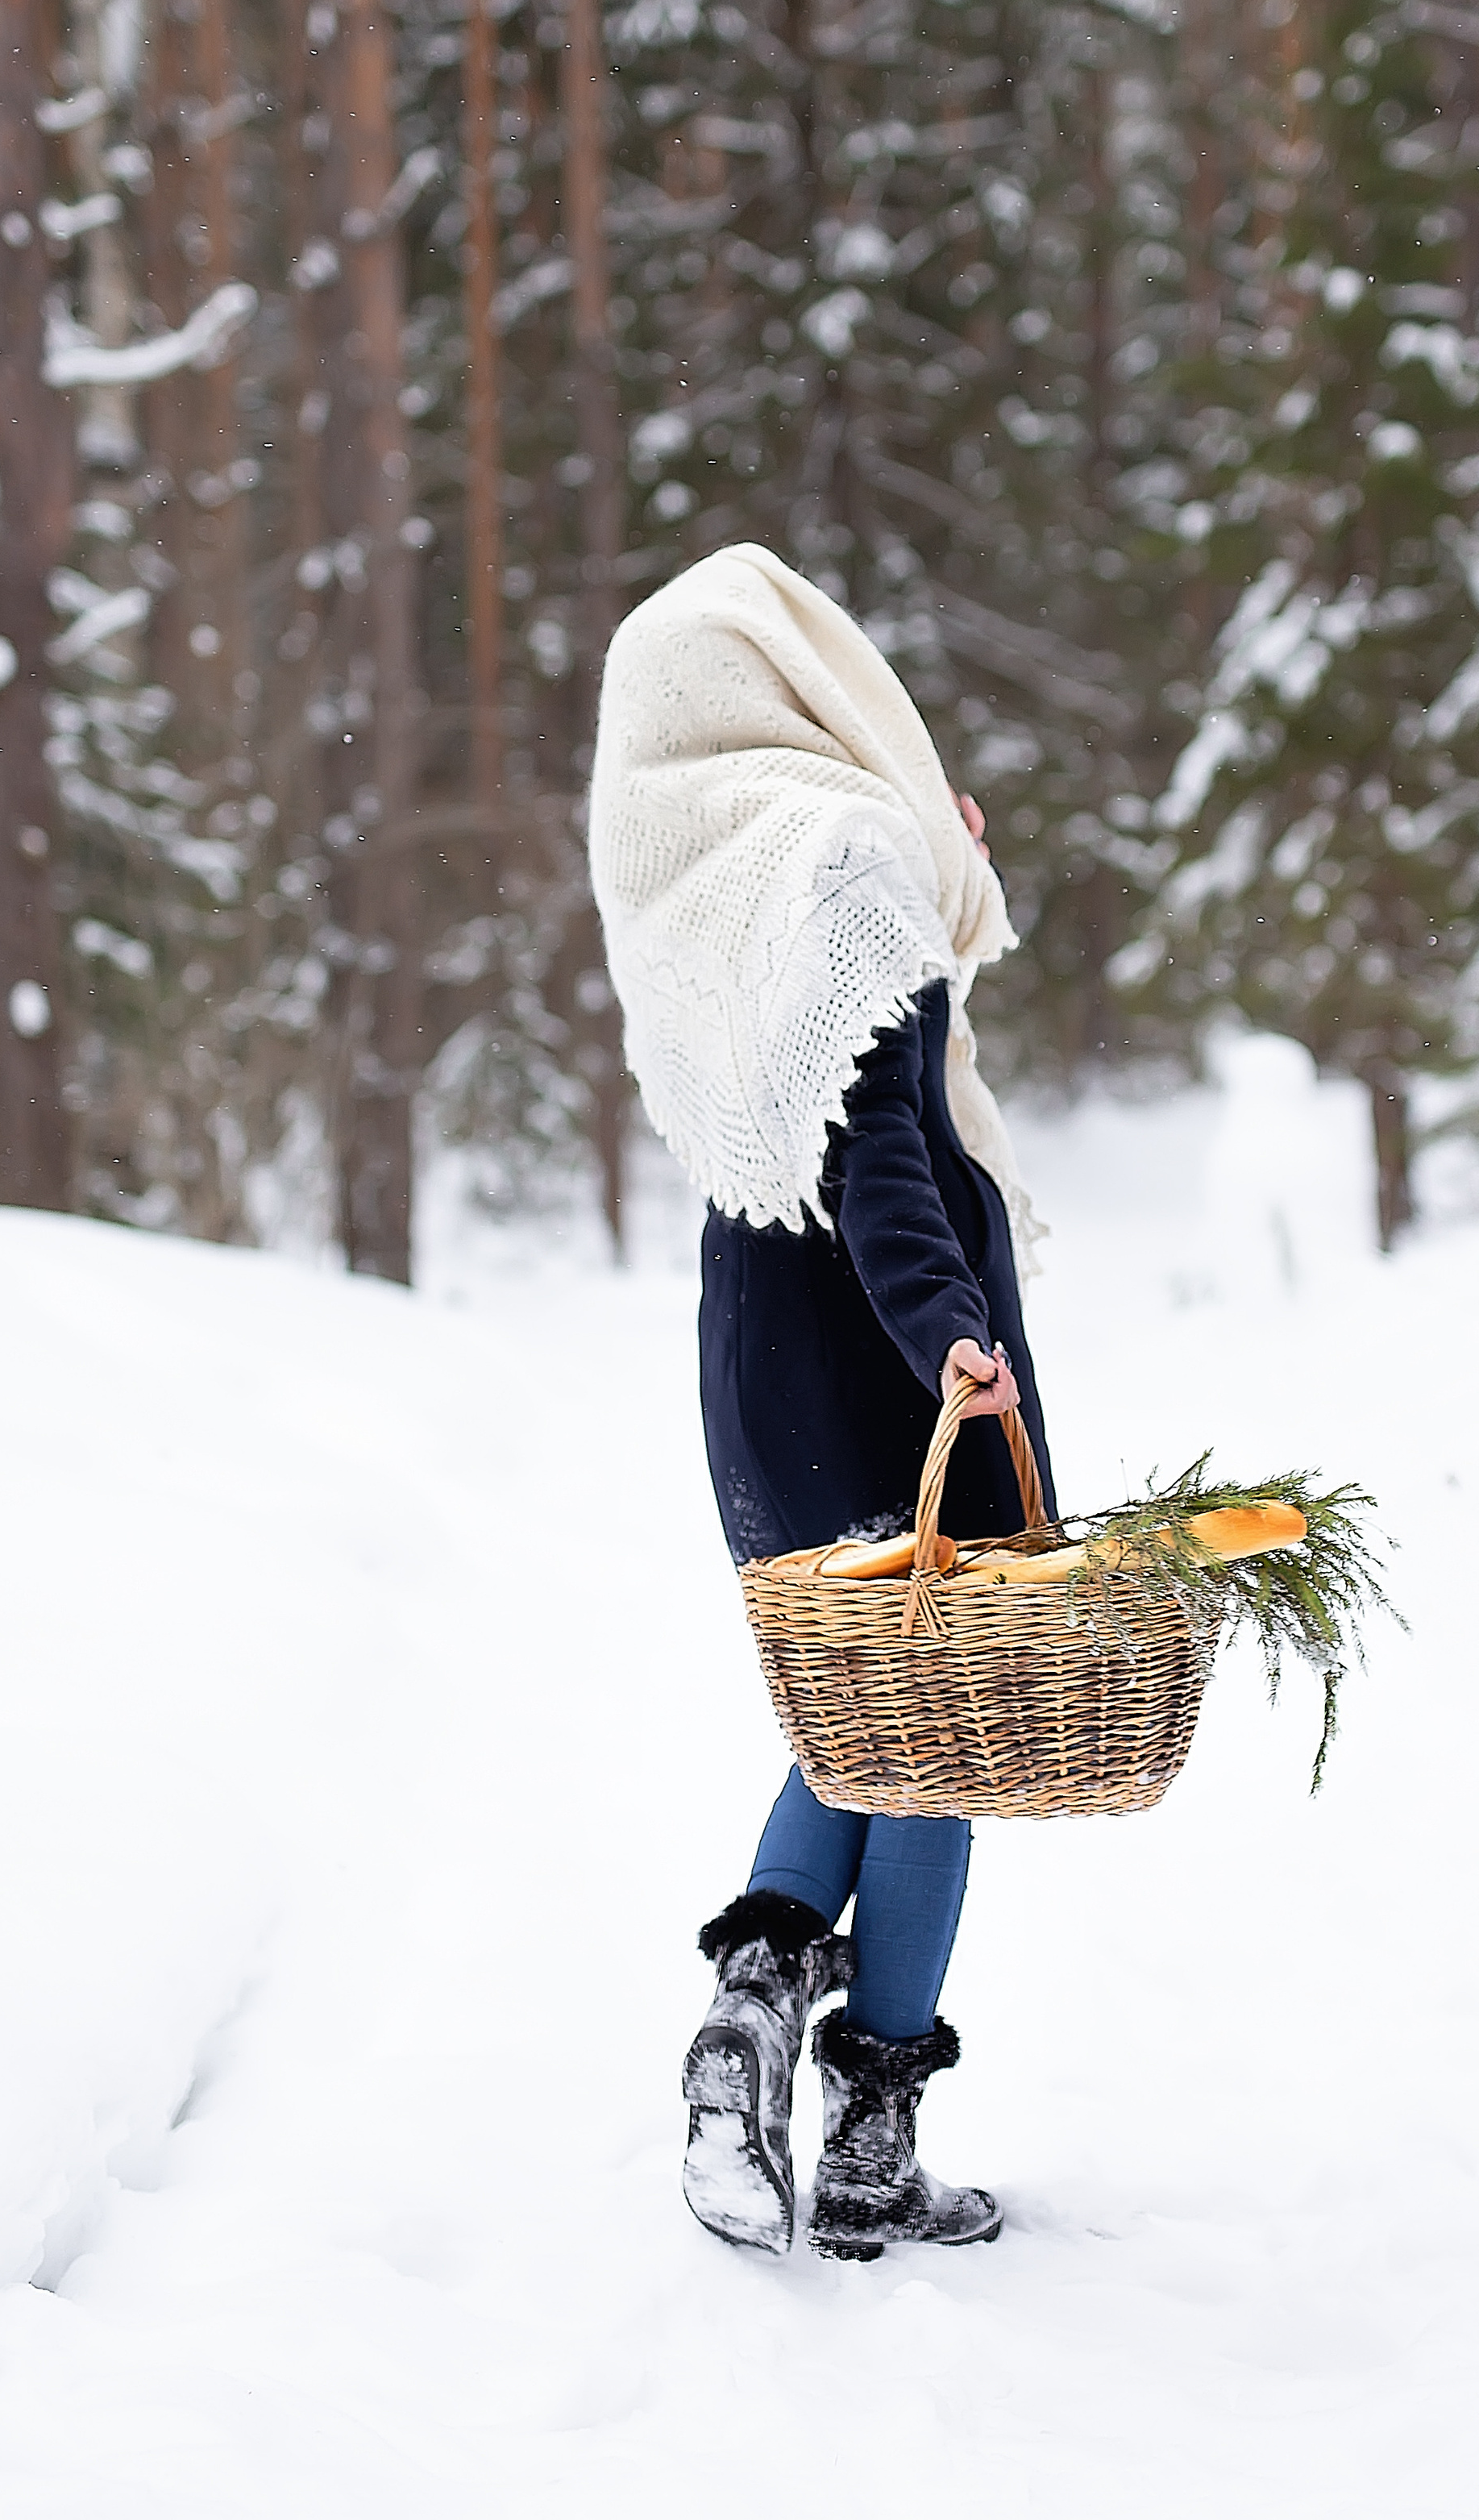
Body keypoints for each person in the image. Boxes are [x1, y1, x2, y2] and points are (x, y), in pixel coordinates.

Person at [588, 545, 1054, 2263]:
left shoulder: (709, 867)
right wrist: (946, 1333)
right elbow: (876, 1147)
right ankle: (868, 2135)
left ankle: (745, 2024)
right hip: (885, 1357)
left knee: (860, 1724)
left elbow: (824, 1078)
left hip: (758, 1372)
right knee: (928, 1745)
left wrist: (929, 886)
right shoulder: (846, 856)